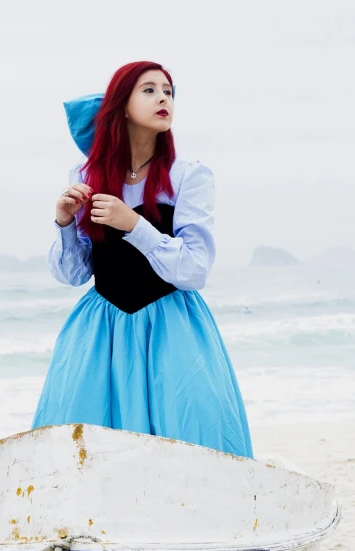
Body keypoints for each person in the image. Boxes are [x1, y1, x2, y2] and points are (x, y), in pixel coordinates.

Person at [32, 61, 253, 459]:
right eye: (148, 90)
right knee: (85, 451)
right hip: (101, 331)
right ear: (122, 104)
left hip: (171, 327)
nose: (163, 97)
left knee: (190, 442)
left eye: (168, 90)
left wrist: (134, 224)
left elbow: (194, 269)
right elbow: (73, 273)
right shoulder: (86, 173)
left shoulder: (189, 175)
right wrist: (64, 222)